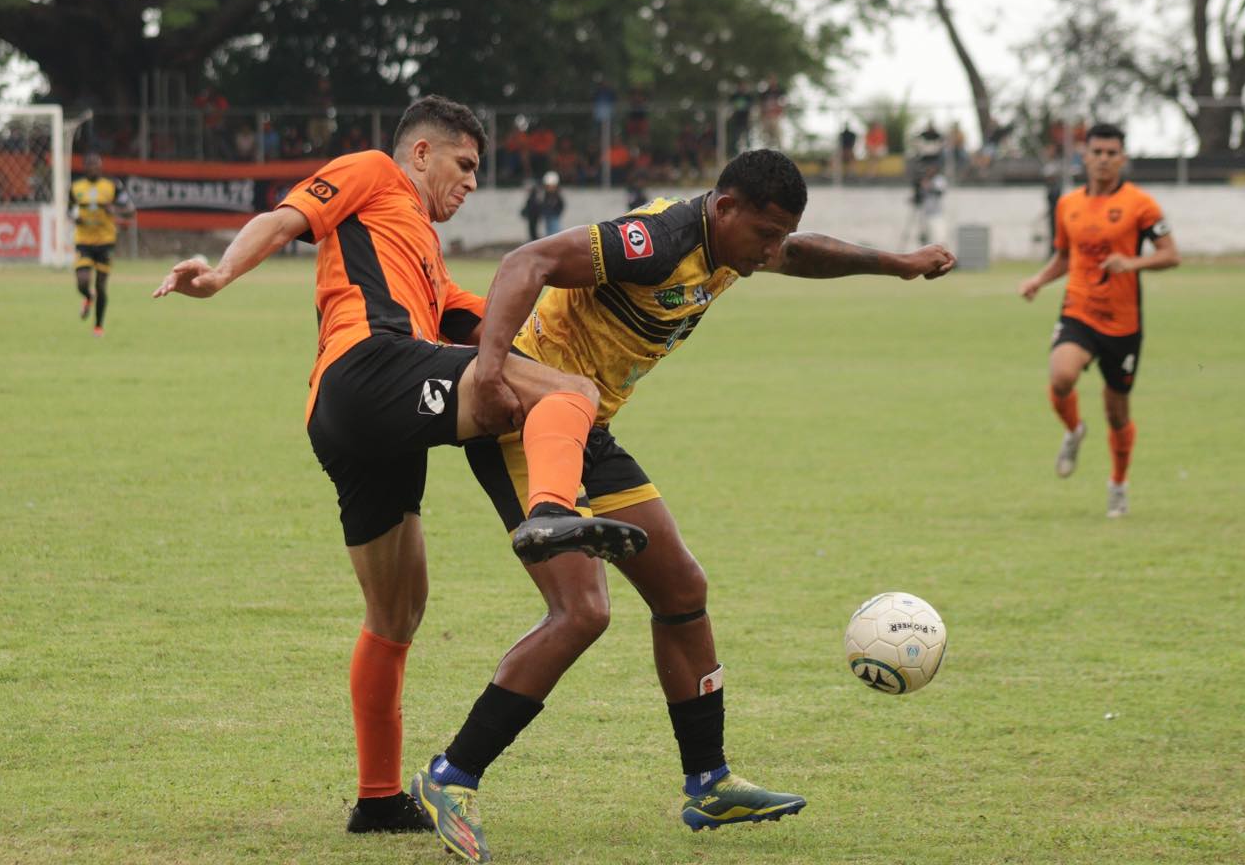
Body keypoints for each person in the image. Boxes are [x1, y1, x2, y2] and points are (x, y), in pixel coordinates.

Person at [409, 149, 956, 863]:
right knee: (584, 612)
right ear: (723, 209)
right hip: (527, 418)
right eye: (763, 233)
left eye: (778, 236)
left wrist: (897, 264)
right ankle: (449, 777)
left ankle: (709, 782)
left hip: (590, 428)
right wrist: (488, 374)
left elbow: (803, 254)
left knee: (682, 590)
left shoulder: (738, 246)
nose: (770, 251)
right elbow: (525, 263)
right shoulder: (661, 239)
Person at [151, 95, 647, 836]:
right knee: (567, 395)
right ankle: (550, 513)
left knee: (397, 611)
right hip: (370, 368)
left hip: (354, 421)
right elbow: (284, 219)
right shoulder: (372, 173)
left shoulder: (424, 253)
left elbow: (485, 323)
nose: (473, 182)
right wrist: (221, 274)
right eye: (465, 164)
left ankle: (378, 799)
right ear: (421, 153)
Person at [1018, 123, 1179, 518]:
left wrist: (1133, 262)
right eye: (1097, 152)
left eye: (1112, 153)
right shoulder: (1068, 204)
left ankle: (1118, 484)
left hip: (1123, 323)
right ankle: (1073, 431)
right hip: (1080, 309)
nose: (1104, 159)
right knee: (1061, 377)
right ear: (1085, 157)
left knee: (1116, 413)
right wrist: (1039, 280)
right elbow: (1064, 257)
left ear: (1122, 158)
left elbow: (1170, 254)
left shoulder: (1142, 205)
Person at [70, 151, 134, 337]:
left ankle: (98, 326)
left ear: (100, 166)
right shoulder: (76, 187)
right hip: (83, 241)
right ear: (85, 168)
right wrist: (74, 218)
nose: (93, 168)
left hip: (106, 241)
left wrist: (113, 209)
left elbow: (130, 211)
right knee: (82, 282)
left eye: (96, 165)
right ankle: (87, 297)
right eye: (89, 165)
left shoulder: (112, 186)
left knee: (101, 285)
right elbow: (68, 209)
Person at [539, 171, 565, 235]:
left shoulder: (556, 197)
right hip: (548, 217)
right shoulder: (544, 195)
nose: (550, 188)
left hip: (554, 217)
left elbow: (560, 206)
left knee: (554, 232)